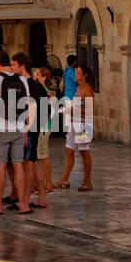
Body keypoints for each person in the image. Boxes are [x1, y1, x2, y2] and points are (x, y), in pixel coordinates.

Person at [0, 50, 31, 215]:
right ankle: (23, 204)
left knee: (1, 165)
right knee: (18, 164)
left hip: (1, 128)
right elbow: (27, 104)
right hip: (18, 126)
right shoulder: (22, 80)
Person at [12, 53, 49, 209]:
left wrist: (28, 129)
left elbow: (31, 108)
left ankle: (24, 200)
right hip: (35, 127)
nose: (12, 67)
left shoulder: (30, 85)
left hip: (30, 129)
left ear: (22, 66)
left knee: (28, 163)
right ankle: (41, 198)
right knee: (33, 163)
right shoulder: (34, 85)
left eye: (14, 65)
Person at [68, 64, 96, 191]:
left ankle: (87, 181)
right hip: (75, 123)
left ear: (85, 75)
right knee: (70, 150)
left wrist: (73, 110)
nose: (75, 74)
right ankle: (64, 179)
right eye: (75, 72)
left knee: (84, 152)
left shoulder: (87, 90)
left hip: (83, 125)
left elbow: (90, 110)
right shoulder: (78, 88)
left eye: (78, 72)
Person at [55, 55, 80, 189]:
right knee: (70, 127)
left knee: (70, 129)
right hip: (70, 100)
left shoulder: (65, 70)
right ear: (73, 62)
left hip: (67, 99)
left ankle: (70, 139)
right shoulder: (70, 71)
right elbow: (76, 82)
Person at [33, 66, 55, 198]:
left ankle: (49, 185)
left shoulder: (46, 92)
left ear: (43, 77)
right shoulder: (38, 90)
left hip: (43, 127)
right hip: (39, 126)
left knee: (43, 156)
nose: (35, 74)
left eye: (37, 73)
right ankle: (39, 184)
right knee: (37, 157)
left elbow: (49, 112)